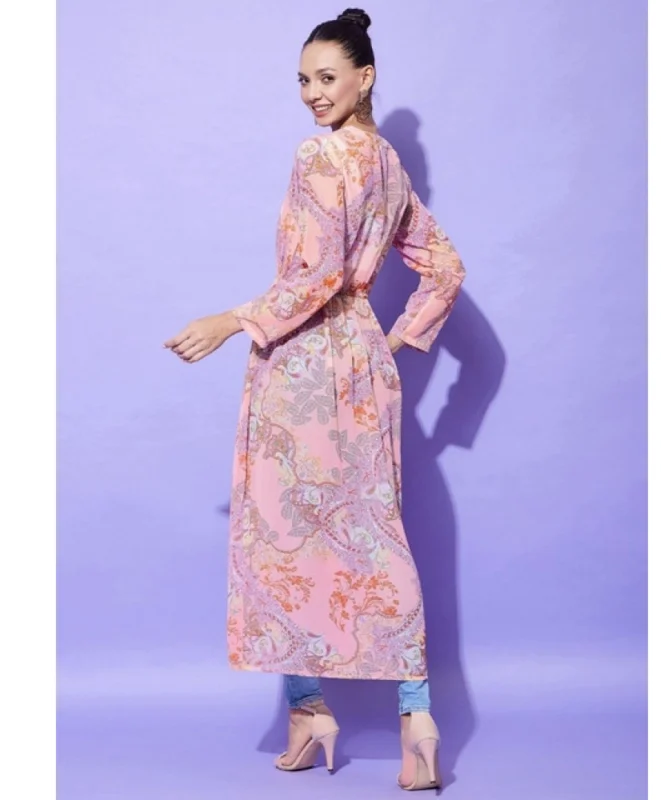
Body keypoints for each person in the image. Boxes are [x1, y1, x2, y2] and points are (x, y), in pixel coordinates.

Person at [165, 8, 465, 791]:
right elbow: (446, 269)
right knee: (375, 535)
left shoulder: (319, 154)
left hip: (301, 364)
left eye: (327, 77)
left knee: (283, 539)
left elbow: (317, 275)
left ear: (366, 77)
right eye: (302, 80)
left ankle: (308, 709)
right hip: (363, 364)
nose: (312, 93)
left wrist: (230, 321)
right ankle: (414, 722)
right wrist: (393, 342)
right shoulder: (389, 166)